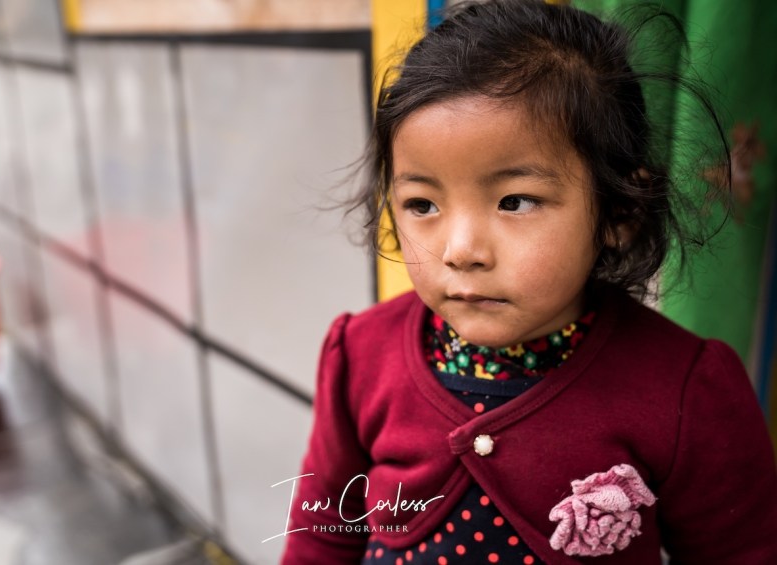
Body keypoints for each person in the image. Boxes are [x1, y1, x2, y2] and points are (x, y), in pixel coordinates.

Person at [280, 1, 777, 563]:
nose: (460, 251)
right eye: (422, 204)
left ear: (619, 213)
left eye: (515, 201)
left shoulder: (687, 391)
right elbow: (323, 533)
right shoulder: (360, 355)